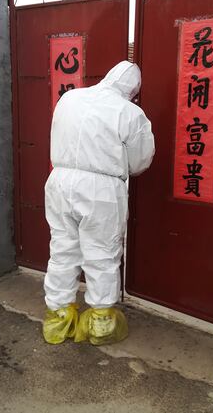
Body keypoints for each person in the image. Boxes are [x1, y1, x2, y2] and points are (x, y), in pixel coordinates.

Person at [43, 61, 155, 345]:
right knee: (102, 254)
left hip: (59, 181)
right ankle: (101, 321)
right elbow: (141, 160)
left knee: (62, 249)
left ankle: (59, 317)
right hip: (101, 189)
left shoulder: (70, 97)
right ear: (133, 90)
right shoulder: (130, 112)